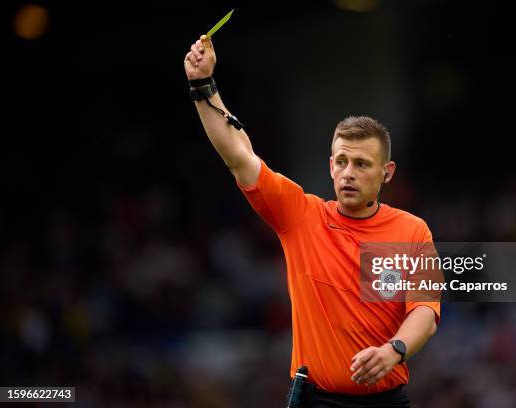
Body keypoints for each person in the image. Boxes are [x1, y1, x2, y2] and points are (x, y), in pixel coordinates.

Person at [184, 34, 440, 408]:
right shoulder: (300, 216)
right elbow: (239, 154)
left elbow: (425, 311)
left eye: (362, 164)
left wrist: (393, 350)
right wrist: (203, 84)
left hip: (388, 401)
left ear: (387, 173)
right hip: (315, 401)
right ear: (330, 165)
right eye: (341, 161)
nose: (348, 173)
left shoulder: (412, 230)